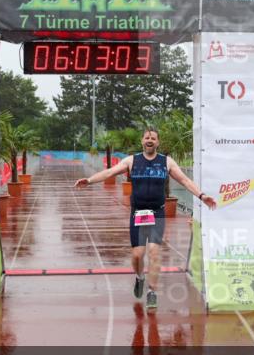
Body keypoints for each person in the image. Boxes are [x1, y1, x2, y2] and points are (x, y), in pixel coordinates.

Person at [74, 128, 217, 309]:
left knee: (154, 252)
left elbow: (185, 181)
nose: (150, 140)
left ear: (157, 142)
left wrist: (202, 196)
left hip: (157, 213)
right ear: (142, 141)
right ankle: (140, 277)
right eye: (147, 137)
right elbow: (109, 172)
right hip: (138, 213)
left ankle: (152, 291)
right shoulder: (132, 161)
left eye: (153, 138)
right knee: (137, 255)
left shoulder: (166, 162)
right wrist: (89, 180)